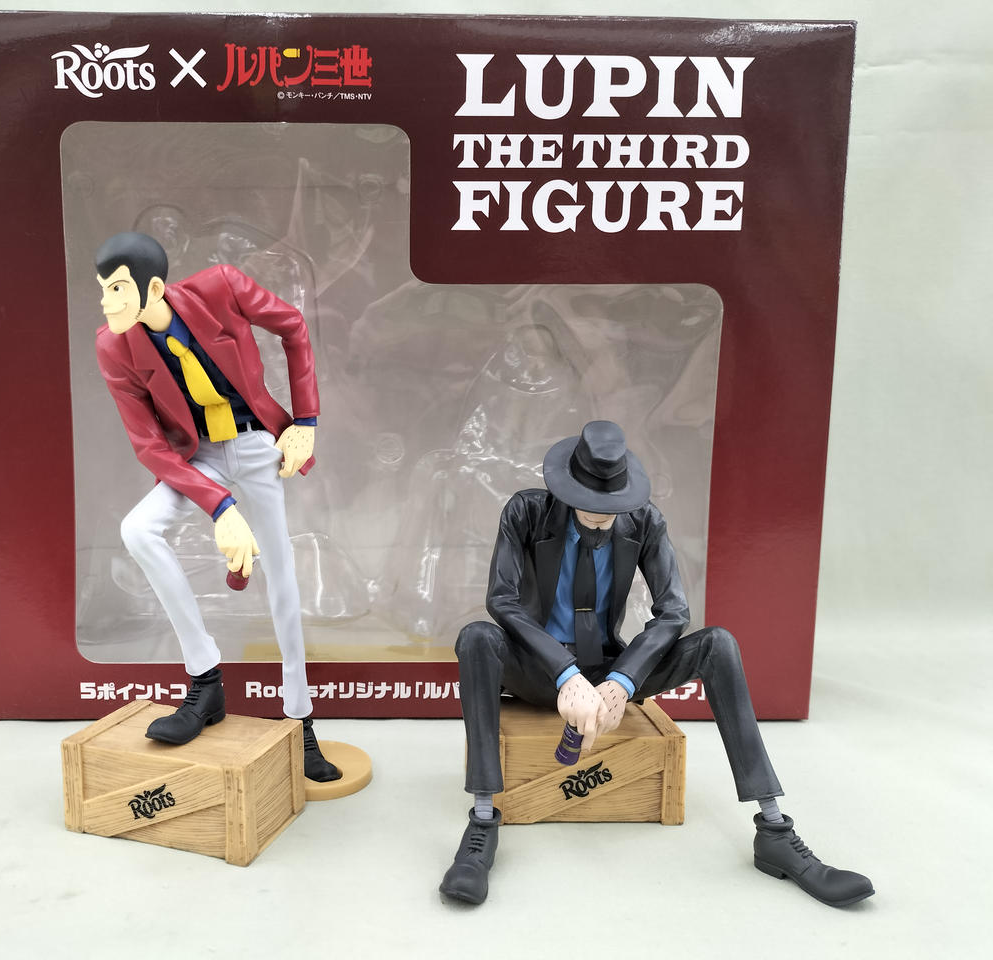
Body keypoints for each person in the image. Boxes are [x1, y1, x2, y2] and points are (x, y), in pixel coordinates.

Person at [439, 420, 872, 906]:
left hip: (610, 669)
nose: (602, 516)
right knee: (476, 637)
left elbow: (673, 613)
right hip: (541, 670)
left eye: (612, 505)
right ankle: (482, 823)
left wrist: (623, 680)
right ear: (565, 488)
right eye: (590, 502)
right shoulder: (525, 512)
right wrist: (564, 672)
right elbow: (502, 600)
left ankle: (774, 830)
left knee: (718, 643)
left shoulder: (645, 522)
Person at [93, 231, 338, 782]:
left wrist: (305, 421)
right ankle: (205, 682)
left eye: (117, 288)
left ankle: (299, 719)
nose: (106, 302)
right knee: (138, 530)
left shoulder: (221, 287)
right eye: (102, 288)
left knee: (282, 575)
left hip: (255, 445)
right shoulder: (113, 346)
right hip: (198, 458)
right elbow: (151, 447)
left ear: (154, 288)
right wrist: (221, 508)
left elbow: (293, 326)